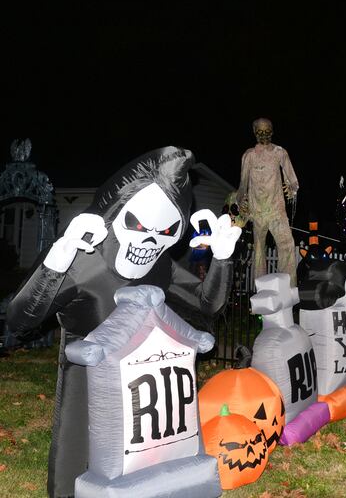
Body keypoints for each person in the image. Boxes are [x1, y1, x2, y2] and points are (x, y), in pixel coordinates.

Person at [6, 147, 240, 498]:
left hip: (146, 381)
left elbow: (207, 305)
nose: (151, 240)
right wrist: (56, 261)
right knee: (77, 466)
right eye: (140, 225)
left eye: (166, 231)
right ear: (116, 211)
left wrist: (222, 259)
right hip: (87, 380)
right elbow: (20, 319)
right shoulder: (84, 264)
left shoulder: (161, 264)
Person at [237, 118, 300, 284]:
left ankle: (288, 286)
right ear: (254, 132)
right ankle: (261, 289)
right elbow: (243, 184)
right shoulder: (249, 155)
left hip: (276, 209)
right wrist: (241, 200)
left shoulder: (280, 152)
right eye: (260, 131)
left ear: (272, 132)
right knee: (259, 251)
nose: (264, 134)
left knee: (287, 244)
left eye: (267, 131)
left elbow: (293, 180)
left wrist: (291, 188)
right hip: (257, 211)